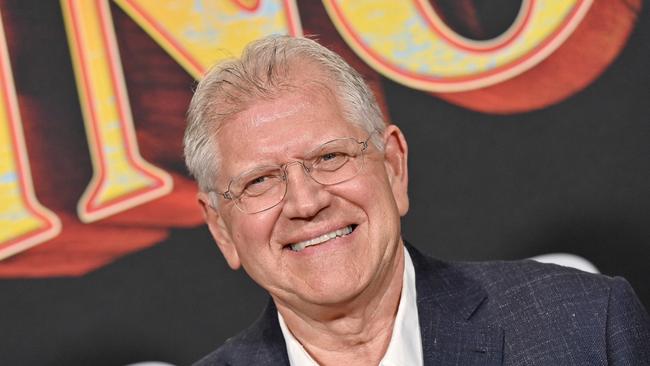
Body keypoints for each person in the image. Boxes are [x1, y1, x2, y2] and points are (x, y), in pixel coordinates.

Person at [183, 35, 650, 365]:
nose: (305, 202)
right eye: (260, 181)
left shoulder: (584, 327)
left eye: (330, 157)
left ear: (393, 166)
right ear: (221, 228)